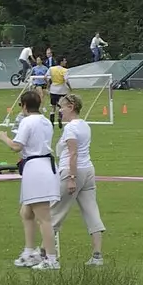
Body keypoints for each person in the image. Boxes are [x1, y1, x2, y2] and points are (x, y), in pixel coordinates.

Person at [0, 88, 59, 270]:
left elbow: (17, 146)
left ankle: (51, 259)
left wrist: (4, 138)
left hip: (36, 169)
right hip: (42, 167)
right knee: (26, 213)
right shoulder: (45, 122)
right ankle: (30, 251)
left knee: (44, 218)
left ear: (24, 105)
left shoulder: (28, 122)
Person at [50, 93, 104, 266]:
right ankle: (97, 256)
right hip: (88, 170)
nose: (60, 111)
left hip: (73, 171)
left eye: (62, 107)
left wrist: (72, 178)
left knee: (54, 213)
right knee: (91, 211)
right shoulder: (85, 125)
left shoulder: (71, 128)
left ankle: (48, 256)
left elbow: (73, 153)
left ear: (71, 107)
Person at [47, 57, 70, 125]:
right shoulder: (65, 70)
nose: (65, 62)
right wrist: (70, 87)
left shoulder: (51, 69)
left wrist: (49, 85)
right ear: (61, 62)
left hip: (53, 90)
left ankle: (52, 120)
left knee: (53, 107)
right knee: (61, 105)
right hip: (62, 90)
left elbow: (45, 77)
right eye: (64, 60)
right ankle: (60, 117)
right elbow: (66, 81)